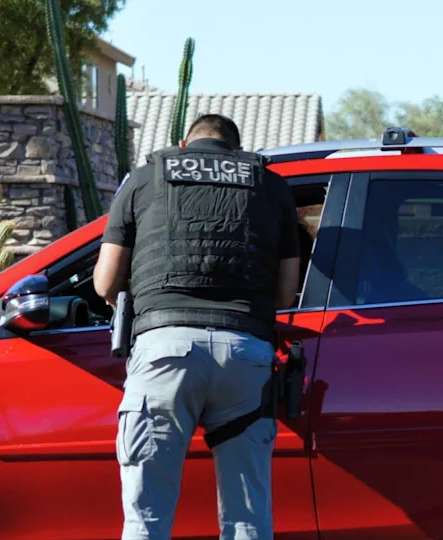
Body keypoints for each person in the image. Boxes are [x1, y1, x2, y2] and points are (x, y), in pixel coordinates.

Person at [93, 114, 300, 540]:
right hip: (245, 352)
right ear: (236, 150)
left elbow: (105, 283)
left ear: (184, 144)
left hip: (164, 352)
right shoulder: (271, 186)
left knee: (146, 520)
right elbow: (285, 294)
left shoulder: (146, 178)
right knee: (247, 520)